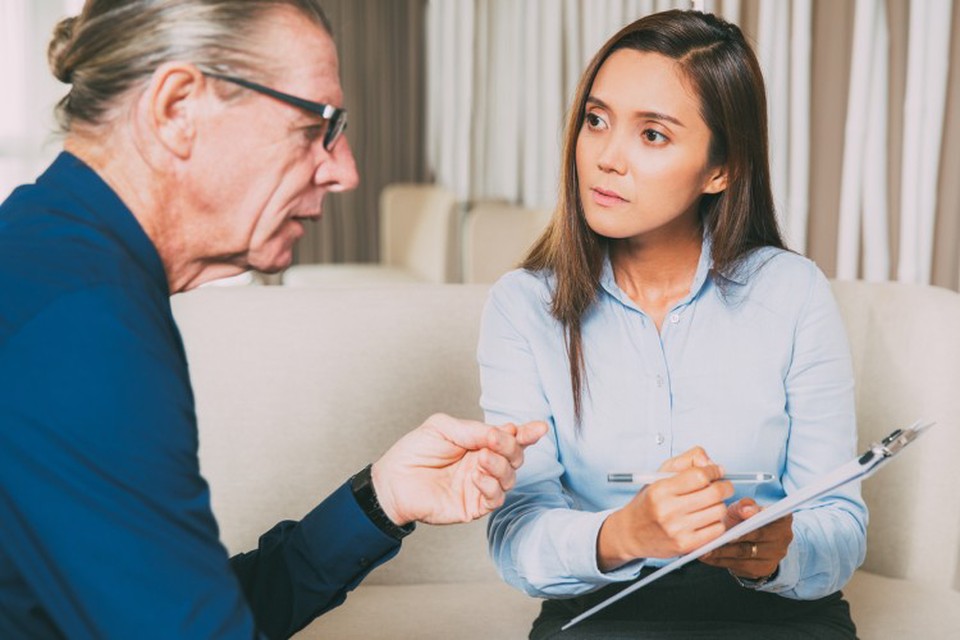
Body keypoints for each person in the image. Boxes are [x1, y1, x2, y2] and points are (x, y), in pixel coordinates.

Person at [0, 1, 547, 638]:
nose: (345, 171)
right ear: (178, 109)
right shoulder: (83, 325)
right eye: (320, 124)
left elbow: (179, 607)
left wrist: (382, 498)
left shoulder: (55, 262)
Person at [478, 10, 867, 640]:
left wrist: (778, 553)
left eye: (652, 135)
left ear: (722, 168)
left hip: (777, 615)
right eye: (595, 120)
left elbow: (840, 522)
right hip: (603, 612)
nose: (606, 157)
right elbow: (515, 537)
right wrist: (622, 533)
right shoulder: (522, 306)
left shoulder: (792, 292)